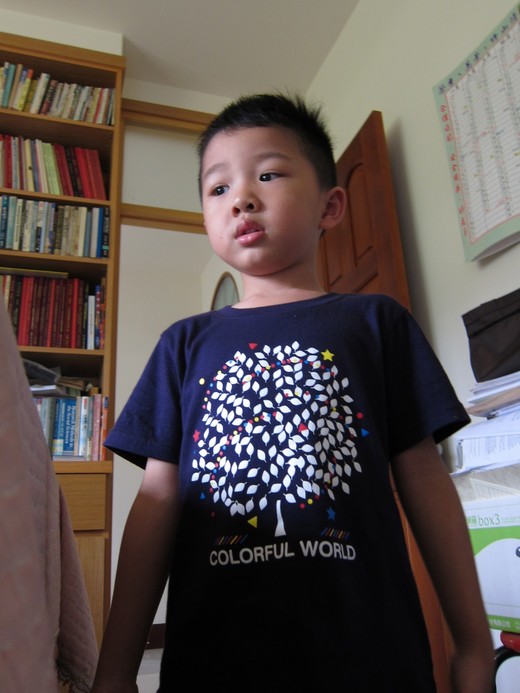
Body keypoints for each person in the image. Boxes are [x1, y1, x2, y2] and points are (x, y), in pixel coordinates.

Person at [92, 93, 494, 692]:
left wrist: (472, 648)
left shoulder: (377, 323)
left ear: (330, 206)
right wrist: (115, 671)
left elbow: (425, 478)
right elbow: (156, 500)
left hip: (370, 655)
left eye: (268, 175)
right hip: (215, 661)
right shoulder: (183, 344)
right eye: (218, 188)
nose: (241, 199)